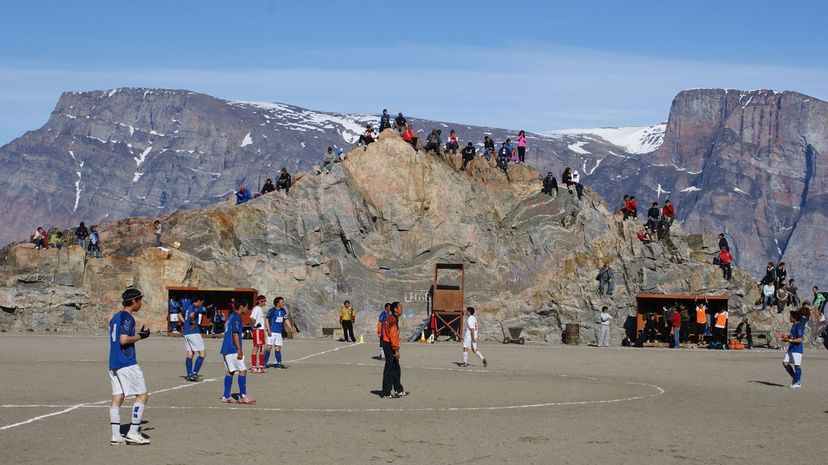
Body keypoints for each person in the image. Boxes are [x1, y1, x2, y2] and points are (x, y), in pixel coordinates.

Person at [108, 288, 151, 445]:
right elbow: (124, 340)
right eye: (139, 300)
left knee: (118, 397)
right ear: (134, 301)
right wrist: (141, 336)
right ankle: (133, 432)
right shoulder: (127, 318)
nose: (140, 303)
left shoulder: (115, 317)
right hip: (126, 362)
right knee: (142, 395)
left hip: (113, 362)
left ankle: (116, 435)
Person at [220, 299, 256, 404]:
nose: (247, 309)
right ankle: (242, 396)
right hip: (233, 348)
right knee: (243, 370)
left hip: (226, 348)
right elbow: (235, 333)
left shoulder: (231, 316)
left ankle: (226, 396)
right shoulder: (236, 317)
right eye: (246, 307)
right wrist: (239, 349)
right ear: (241, 307)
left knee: (231, 371)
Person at [380, 301, 406, 398]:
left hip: (387, 343)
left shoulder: (390, 318)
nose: (401, 309)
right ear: (395, 309)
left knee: (395, 367)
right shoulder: (393, 319)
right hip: (389, 345)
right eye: (400, 307)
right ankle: (386, 392)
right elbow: (393, 335)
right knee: (390, 368)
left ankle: (398, 389)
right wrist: (396, 350)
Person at [182, 294, 207, 382]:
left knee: (190, 354)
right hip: (193, 333)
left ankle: (189, 374)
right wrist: (192, 323)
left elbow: (179, 314)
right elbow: (192, 315)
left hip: (186, 333)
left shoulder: (188, 306)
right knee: (202, 353)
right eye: (202, 302)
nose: (202, 304)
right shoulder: (194, 307)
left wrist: (186, 323)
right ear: (198, 301)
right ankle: (194, 373)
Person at [265, 296, 294, 369]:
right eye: (282, 302)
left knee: (278, 348)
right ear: (277, 303)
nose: (283, 303)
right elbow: (267, 320)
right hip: (272, 332)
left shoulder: (283, 310)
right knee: (268, 347)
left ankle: (279, 363)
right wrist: (268, 329)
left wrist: (290, 327)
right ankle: (264, 363)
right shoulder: (272, 310)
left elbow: (285, 319)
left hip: (278, 332)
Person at [780, 310, 805, 388]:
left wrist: (789, 340)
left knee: (797, 365)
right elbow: (792, 336)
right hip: (791, 348)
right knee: (785, 362)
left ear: (794, 318)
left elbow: (800, 339)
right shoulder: (793, 325)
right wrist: (786, 337)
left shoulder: (799, 326)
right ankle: (796, 379)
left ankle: (796, 382)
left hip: (797, 349)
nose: (789, 317)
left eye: (790, 316)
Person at [249, 295, 267, 373]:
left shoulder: (260, 309)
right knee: (257, 348)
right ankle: (254, 367)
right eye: (264, 301)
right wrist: (255, 325)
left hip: (261, 331)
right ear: (260, 301)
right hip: (258, 331)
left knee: (262, 348)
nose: (265, 303)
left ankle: (261, 367)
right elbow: (252, 317)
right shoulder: (256, 309)